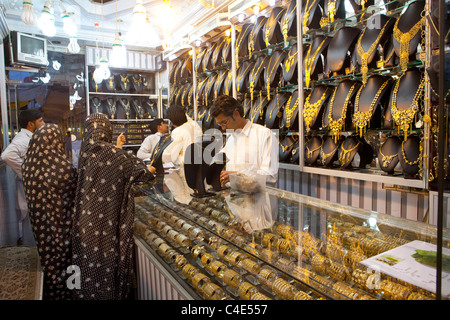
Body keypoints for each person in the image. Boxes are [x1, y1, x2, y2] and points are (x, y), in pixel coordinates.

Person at [71, 113, 156, 300]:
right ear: (107, 130)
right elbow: (143, 172)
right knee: (105, 265)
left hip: (85, 221)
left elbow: (111, 162)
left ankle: (83, 294)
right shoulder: (114, 155)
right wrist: (149, 169)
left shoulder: (86, 151)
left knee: (87, 263)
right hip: (105, 222)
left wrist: (117, 148)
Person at [21, 123, 77, 300]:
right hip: (63, 226)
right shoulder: (62, 168)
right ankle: (70, 294)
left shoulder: (28, 165)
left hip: (41, 227)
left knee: (49, 260)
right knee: (68, 263)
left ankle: (52, 293)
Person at [210, 95, 279, 186]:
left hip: (258, 198)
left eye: (224, 122)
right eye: (219, 124)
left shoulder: (264, 135)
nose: (223, 127)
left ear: (236, 114)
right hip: (233, 197)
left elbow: (271, 176)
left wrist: (237, 175)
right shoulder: (231, 139)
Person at [1, 108, 45, 245]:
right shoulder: (23, 139)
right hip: (28, 187)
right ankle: (30, 252)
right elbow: (7, 155)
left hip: (30, 186)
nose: (43, 123)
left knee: (32, 220)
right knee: (30, 220)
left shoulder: (30, 137)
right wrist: (27, 172)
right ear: (31, 124)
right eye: (40, 121)